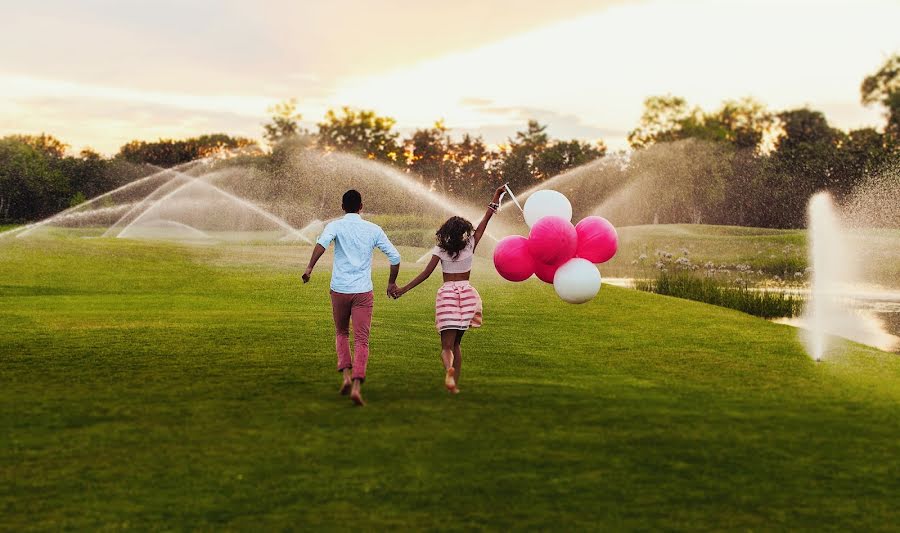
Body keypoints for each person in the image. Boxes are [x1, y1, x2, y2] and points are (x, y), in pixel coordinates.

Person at [392, 185, 506, 393]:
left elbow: (425, 274)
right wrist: (496, 196)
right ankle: (455, 384)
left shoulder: (440, 250)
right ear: (463, 232)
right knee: (457, 344)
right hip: (466, 296)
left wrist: (403, 289)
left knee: (446, 346)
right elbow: (486, 220)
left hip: (447, 296)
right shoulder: (470, 244)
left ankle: (449, 370)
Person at [303, 189, 401, 406]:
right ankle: (356, 387)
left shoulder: (335, 226)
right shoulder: (373, 229)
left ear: (342, 207)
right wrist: (391, 282)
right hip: (363, 291)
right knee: (362, 340)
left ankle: (346, 376)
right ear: (361, 207)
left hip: (339, 289)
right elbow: (395, 257)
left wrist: (309, 268)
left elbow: (321, 245)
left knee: (341, 332)